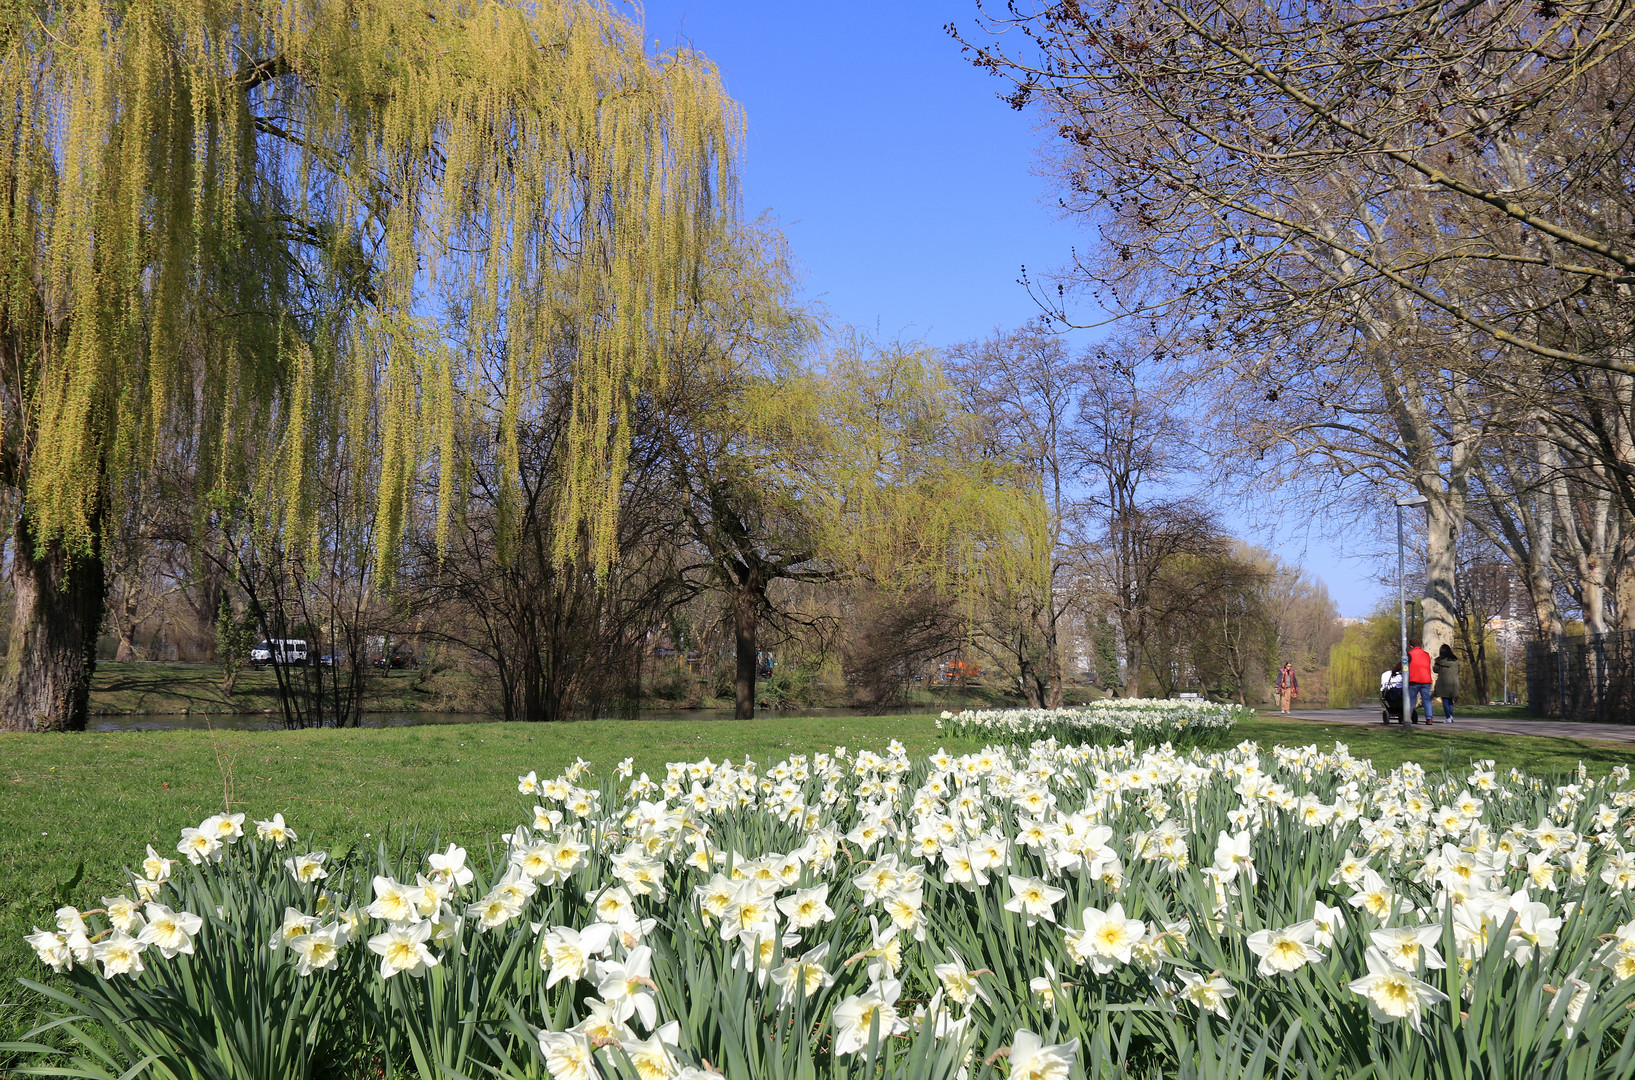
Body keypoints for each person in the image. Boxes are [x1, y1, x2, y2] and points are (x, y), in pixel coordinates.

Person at [1406, 638, 1434, 724]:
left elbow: (1402, 664)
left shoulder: (1410, 654)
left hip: (1414, 680)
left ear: (1411, 646)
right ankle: (1429, 718)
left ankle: (1408, 718)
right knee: (1427, 700)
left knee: (1411, 700)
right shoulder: (1426, 654)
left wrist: (1394, 671)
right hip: (1426, 680)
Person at [1433, 643, 1460, 724]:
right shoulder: (1456, 661)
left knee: (1445, 699)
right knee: (1451, 700)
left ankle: (1448, 716)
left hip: (1444, 683)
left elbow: (1435, 670)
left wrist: (1436, 664)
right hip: (1454, 682)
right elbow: (1458, 670)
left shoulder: (1440, 661)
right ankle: (1450, 716)